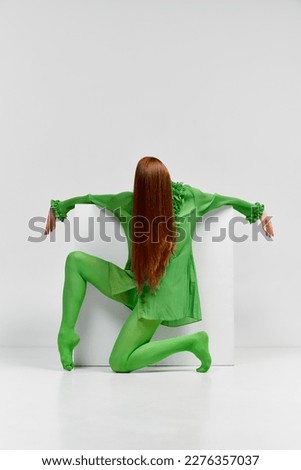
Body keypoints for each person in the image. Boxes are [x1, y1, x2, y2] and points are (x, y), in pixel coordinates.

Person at [44, 156, 274, 373]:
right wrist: (59, 208)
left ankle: (192, 342)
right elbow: (91, 198)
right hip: (133, 283)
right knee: (75, 261)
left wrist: (259, 214)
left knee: (119, 362)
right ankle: (66, 333)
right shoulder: (130, 203)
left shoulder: (187, 200)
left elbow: (223, 200)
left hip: (158, 298)